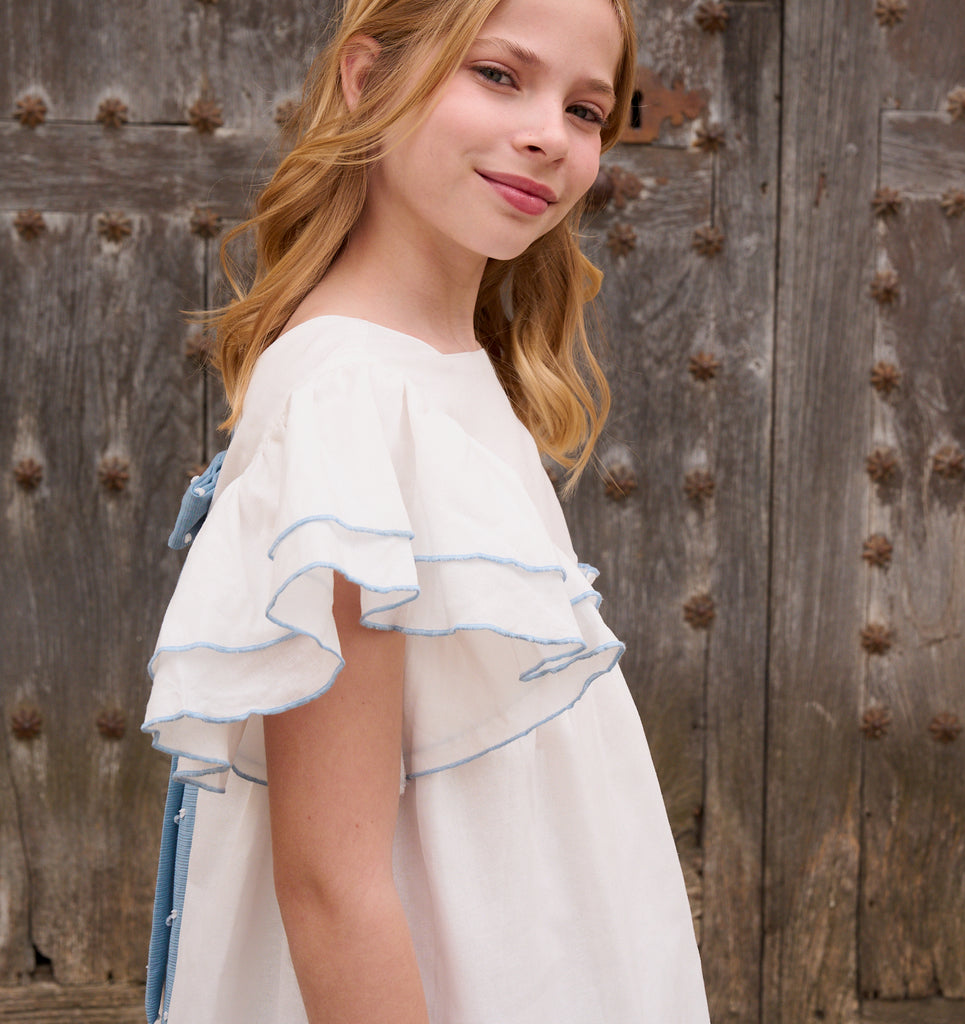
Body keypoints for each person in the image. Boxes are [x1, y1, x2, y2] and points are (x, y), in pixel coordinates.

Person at [142, 0, 711, 1020]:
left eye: (585, 108)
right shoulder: (350, 400)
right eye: (498, 75)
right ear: (365, 80)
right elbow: (331, 885)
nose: (548, 133)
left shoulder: (445, 367)